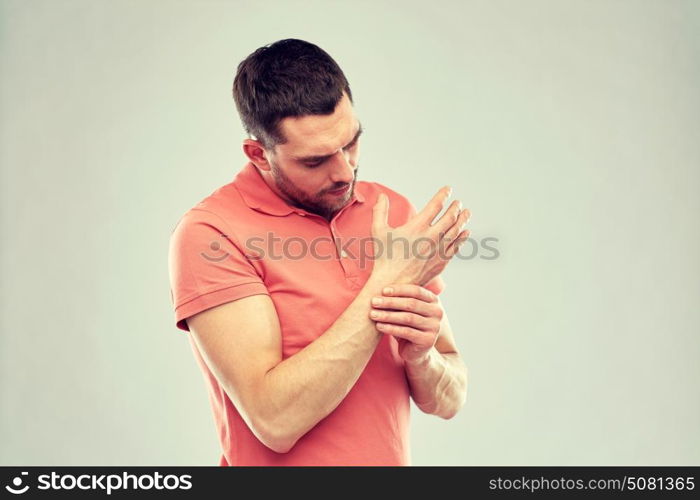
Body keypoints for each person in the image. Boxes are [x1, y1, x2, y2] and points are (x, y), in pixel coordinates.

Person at [168, 38, 471, 466]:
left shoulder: (392, 212)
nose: (345, 172)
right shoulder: (211, 234)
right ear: (259, 154)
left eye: (351, 143)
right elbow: (275, 420)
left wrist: (422, 358)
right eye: (315, 161)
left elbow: (450, 398)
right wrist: (386, 282)